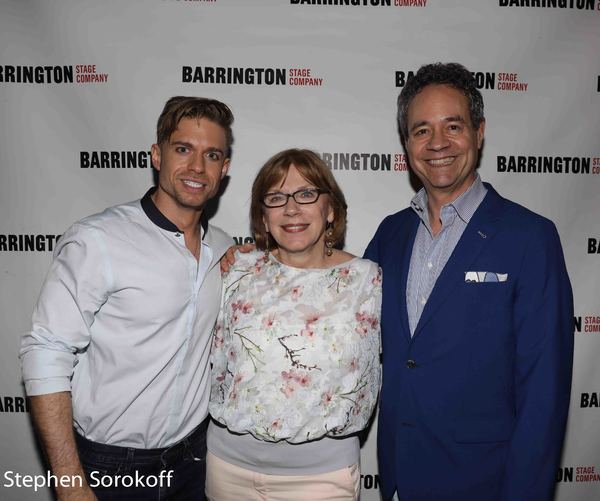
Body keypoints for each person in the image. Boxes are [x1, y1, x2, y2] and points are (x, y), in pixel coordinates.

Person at [364, 62, 574, 500]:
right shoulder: (391, 233)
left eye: (452, 126)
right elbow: (337, 309)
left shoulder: (530, 237)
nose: (437, 143)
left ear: (479, 132)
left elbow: (543, 396)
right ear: (406, 144)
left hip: (486, 484)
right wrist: (257, 262)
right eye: (421, 130)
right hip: (401, 479)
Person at [20, 96, 235, 500]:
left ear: (224, 169)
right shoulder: (98, 239)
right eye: (183, 149)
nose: (196, 167)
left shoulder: (222, 249)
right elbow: (45, 352)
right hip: (110, 465)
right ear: (157, 155)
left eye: (212, 155)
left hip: (194, 461)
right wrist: (69, 485)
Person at [207, 148, 381, 500]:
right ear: (263, 217)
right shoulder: (236, 272)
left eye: (306, 194)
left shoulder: (367, 279)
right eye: (276, 197)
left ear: (330, 208)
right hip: (228, 470)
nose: (291, 209)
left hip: (323, 479)